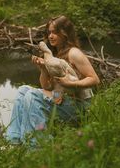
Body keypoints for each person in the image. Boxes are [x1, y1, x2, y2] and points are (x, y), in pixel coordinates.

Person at [6, 15, 100, 145]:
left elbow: (95, 79)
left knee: (33, 96)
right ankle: (14, 142)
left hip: (80, 105)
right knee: (23, 91)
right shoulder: (53, 55)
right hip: (61, 97)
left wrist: (71, 83)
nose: (50, 36)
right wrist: (43, 69)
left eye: (55, 32)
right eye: (49, 32)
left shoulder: (74, 53)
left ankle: (37, 146)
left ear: (65, 34)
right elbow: (47, 87)